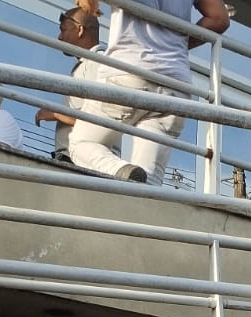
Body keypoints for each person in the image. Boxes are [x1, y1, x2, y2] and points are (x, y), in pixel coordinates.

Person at [68, 0, 231, 185]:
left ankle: (119, 171)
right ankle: (136, 188)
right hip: (176, 83)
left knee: (81, 143)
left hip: (130, 70)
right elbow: (219, 18)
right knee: (149, 182)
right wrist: (176, 43)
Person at [35, 4, 102, 163]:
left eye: (63, 30)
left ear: (79, 30)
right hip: (81, 160)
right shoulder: (88, 64)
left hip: (86, 162)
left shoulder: (96, 63)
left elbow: (100, 119)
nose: (59, 37)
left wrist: (55, 113)